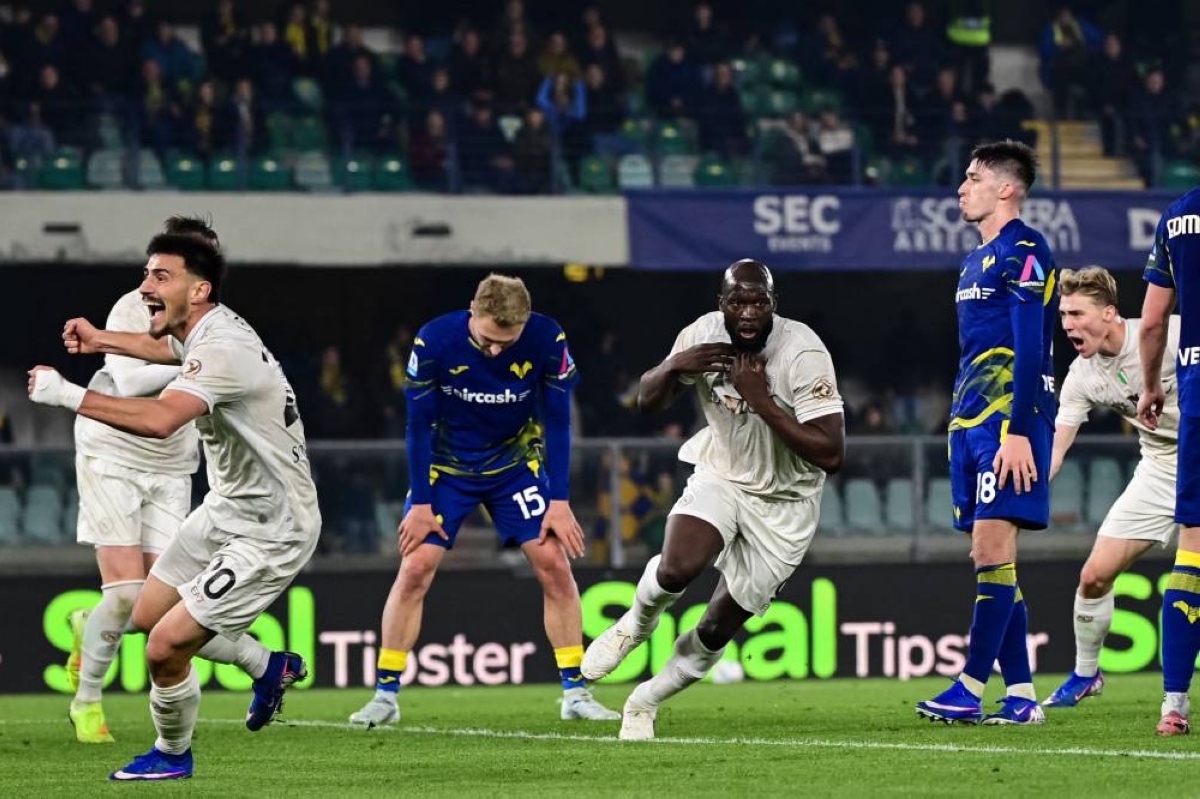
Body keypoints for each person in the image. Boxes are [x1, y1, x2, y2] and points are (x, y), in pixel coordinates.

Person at [29, 231, 321, 779]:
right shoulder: (202, 329)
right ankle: (269, 665)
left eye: (160, 276)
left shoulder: (223, 349)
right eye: (146, 274)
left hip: (271, 527)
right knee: (145, 614)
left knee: (164, 650)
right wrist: (100, 341)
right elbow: (163, 349)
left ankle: (171, 754)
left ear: (200, 288)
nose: (145, 287)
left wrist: (69, 395)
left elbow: (163, 420)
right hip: (226, 508)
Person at [582, 259, 845, 740]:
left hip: (787, 503)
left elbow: (831, 453)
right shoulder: (700, 334)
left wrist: (760, 399)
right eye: (737, 302)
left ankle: (643, 702)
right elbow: (646, 402)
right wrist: (672, 366)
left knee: (716, 627)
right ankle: (634, 627)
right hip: (723, 474)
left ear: (774, 306)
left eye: (758, 303)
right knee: (676, 567)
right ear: (720, 304)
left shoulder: (802, 352)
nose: (747, 313)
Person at [348, 274, 618, 727]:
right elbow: (416, 425)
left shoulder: (548, 338)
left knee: (554, 563)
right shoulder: (434, 339)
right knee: (415, 567)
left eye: (507, 342)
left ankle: (576, 691)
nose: (497, 351)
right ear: (472, 312)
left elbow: (558, 420)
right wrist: (418, 503)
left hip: (514, 466)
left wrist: (560, 499)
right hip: (446, 468)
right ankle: (385, 696)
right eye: (490, 340)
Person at [65, 217, 275, 745]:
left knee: (161, 609)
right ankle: (87, 703)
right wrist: (202, 369)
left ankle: (262, 663)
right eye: (157, 270)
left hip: (172, 464)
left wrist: (206, 366)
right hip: (110, 452)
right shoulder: (135, 307)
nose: (156, 282)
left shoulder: (217, 327)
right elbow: (133, 381)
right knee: (125, 595)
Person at [915, 140, 1057, 726]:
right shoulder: (975, 260)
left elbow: (1030, 348)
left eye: (973, 178)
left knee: (991, 550)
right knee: (988, 556)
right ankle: (1021, 695)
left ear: (1007, 188)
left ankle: (970, 685)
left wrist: (1019, 431)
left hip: (1008, 423)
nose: (961, 188)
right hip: (969, 421)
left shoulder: (1026, 250)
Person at [1041, 267, 1180, 709]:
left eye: (1077, 313)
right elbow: (1056, 450)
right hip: (1160, 469)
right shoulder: (1082, 375)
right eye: (1063, 314)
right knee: (1094, 576)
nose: (1068, 324)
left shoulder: (1168, 336)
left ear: (1110, 313)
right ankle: (1086, 674)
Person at [1138, 185, 1200, 736]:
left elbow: (1153, 321)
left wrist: (1153, 386)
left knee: (1193, 550)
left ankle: (1174, 706)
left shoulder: (1179, 216)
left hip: (1199, 391)